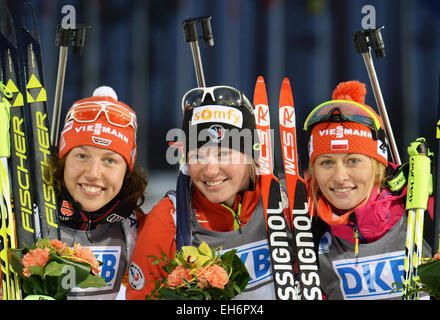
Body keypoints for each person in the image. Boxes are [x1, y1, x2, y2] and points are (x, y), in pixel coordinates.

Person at [126, 85, 293, 300]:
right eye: (197, 156)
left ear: (251, 154)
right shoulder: (167, 221)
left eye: (224, 154)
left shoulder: (288, 203)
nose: (211, 170)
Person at [304, 80, 433, 300]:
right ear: (313, 170)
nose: (340, 177)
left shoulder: (423, 209)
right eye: (326, 162)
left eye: (353, 161)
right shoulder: (309, 227)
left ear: (378, 166)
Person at [51, 86, 148, 299]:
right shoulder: (24, 217)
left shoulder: (135, 228)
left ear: (126, 172)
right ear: (63, 162)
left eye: (110, 160)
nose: (94, 174)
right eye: (82, 156)